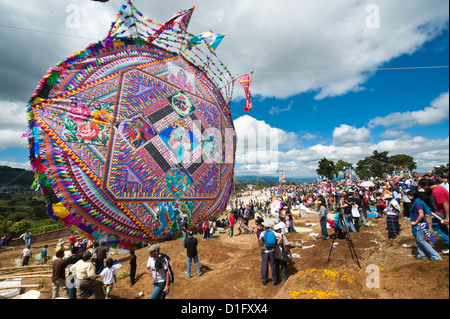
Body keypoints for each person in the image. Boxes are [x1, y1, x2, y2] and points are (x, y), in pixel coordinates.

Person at [407, 190, 442, 261]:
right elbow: (430, 211)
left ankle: (435, 256)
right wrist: (440, 219)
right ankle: (422, 255)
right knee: (418, 240)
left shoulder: (417, 204)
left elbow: (421, 215)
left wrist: (415, 222)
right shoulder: (418, 202)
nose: (407, 197)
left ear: (412, 196)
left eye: (408, 195)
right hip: (419, 224)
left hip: (420, 224)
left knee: (421, 240)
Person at [419, 178, 449, 254]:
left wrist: (447, 217)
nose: (423, 189)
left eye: (423, 187)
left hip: (441, 212)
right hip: (441, 212)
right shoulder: (439, 188)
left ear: (426, 185)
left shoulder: (436, 191)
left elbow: (445, 204)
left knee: (437, 228)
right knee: (443, 229)